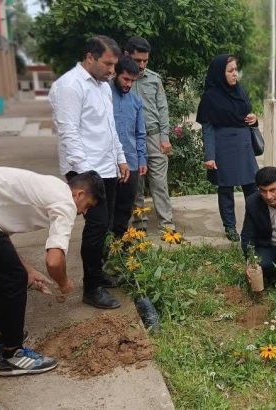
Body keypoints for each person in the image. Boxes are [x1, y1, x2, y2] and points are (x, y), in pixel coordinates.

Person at [0, 166, 103, 376]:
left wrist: (29, 271)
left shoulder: (48, 188)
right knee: (14, 278)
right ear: (79, 194)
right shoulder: (66, 202)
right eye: (87, 206)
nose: (83, 212)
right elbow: (54, 261)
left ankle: (0, 340)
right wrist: (64, 283)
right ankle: (13, 355)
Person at [49, 35, 128, 309]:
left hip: (106, 168)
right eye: (107, 64)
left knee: (104, 226)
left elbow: (109, 127)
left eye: (114, 65)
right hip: (86, 172)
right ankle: (91, 288)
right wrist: (86, 178)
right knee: (95, 229)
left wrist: (120, 158)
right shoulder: (69, 86)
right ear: (90, 57)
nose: (112, 71)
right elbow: (69, 132)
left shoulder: (103, 86)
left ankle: (98, 274)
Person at [196, 54, 259, 242]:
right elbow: (207, 129)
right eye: (230, 71)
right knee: (225, 188)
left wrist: (254, 119)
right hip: (222, 145)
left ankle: (255, 223)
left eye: (235, 70)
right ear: (219, 73)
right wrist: (209, 156)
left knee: (252, 187)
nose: (235, 74)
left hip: (244, 144)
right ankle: (230, 226)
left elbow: (247, 113)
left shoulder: (240, 91)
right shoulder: (210, 97)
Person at [125, 37, 175, 234]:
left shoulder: (154, 79)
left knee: (159, 183)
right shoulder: (118, 81)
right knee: (135, 185)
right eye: (138, 61)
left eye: (146, 60)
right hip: (130, 140)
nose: (142, 65)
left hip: (154, 138)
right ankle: (139, 226)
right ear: (127, 55)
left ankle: (167, 225)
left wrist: (165, 137)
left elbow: (163, 109)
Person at [110, 55, 148, 238]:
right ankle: (105, 250)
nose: (128, 84)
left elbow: (140, 133)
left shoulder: (136, 101)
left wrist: (142, 159)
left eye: (132, 81)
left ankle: (120, 249)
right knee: (107, 211)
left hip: (131, 162)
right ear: (116, 73)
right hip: (108, 164)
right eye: (125, 79)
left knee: (125, 211)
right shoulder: (104, 95)